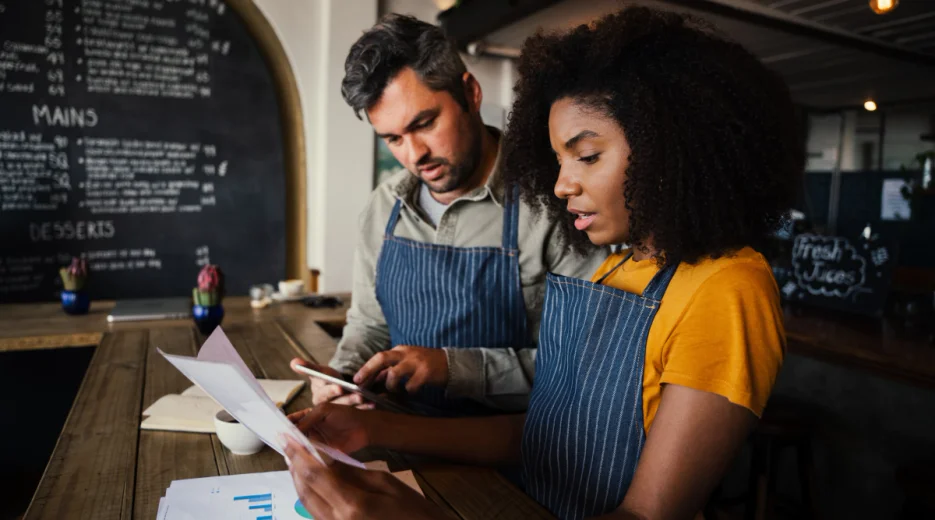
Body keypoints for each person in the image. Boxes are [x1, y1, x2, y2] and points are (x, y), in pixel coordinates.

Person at [284, 6, 801, 520]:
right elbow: (548, 435)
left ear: (669, 146)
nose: (560, 186)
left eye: (587, 156)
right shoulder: (619, 270)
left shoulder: (729, 287)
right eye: (559, 160)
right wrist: (376, 428)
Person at [291, 14, 604, 414]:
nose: (414, 154)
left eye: (425, 123)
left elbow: (585, 364)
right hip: (400, 440)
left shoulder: (556, 205)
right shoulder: (384, 208)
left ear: (470, 93)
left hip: (515, 458)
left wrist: (456, 368)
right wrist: (344, 376)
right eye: (393, 139)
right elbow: (369, 326)